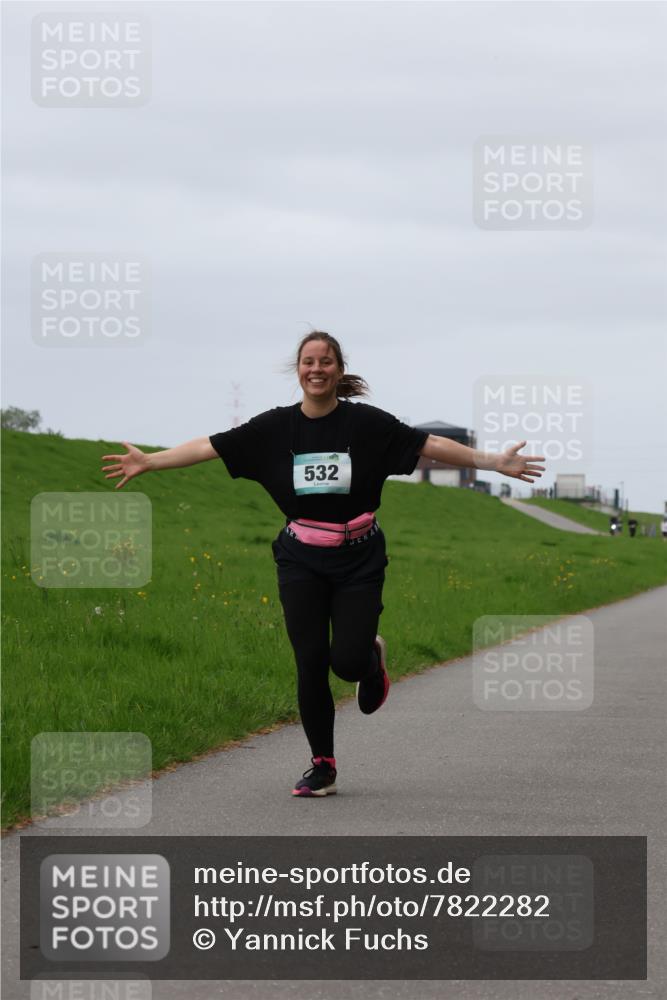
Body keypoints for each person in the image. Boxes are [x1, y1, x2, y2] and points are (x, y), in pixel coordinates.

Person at [101, 331, 545, 798]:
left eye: (326, 361)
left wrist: (492, 461)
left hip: (359, 556)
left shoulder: (368, 424)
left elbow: (428, 444)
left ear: (338, 369)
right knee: (309, 661)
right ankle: (323, 764)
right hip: (300, 559)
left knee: (347, 663)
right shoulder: (273, 428)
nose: (317, 369)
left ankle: (370, 660)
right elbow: (209, 447)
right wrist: (150, 461)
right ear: (298, 369)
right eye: (308, 361)